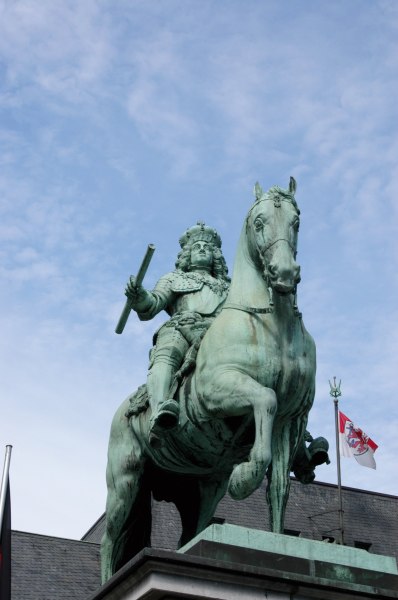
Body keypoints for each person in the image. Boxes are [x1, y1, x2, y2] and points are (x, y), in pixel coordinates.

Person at [125, 222, 230, 442]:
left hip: (221, 333)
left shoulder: (230, 286)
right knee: (167, 353)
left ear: (215, 255)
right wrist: (139, 296)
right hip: (182, 327)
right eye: (197, 246)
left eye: (207, 247)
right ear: (188, 255)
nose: (202, 249)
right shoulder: (173, 279)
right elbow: (152, 304)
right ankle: (160, 409)